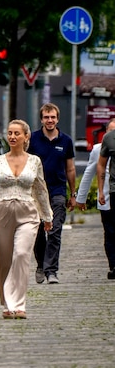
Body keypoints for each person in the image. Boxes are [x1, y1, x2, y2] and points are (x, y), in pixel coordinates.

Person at [0, 120, 53, 319]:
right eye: (9, 133)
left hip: (28, 212)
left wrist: (47, 216)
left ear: (26, 137)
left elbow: (41, 190)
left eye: (17, 133)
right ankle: (6, 304)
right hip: (2, 213)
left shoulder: (35, 161)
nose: (12, 137)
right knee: (4, 260)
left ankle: (19, 304)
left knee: (21, 254)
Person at [28, 103, 76, 284]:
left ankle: (51, 271)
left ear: (57, 119)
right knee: (38, 231)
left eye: (53, 117)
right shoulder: (32, 139)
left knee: (55, 230)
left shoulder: (66, 141)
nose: (50, 120)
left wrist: (73, 194)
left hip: (57, 191)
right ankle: (41, 264)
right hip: (35, 193)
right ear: (41, 119)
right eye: (46, 117)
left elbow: (70, 169)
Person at [77, 118, 115, 279]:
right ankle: (113, 264)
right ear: (106, 132)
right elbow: (89, 172)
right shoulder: (98, 149)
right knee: (110, 232)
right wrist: (81, 197)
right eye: (110, 130)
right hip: (106, 197)